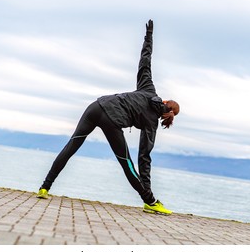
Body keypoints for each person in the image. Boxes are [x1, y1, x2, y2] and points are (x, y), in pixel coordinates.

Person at [36, 20, 180, 215]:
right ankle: (150, 201)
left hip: (96, 106)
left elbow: (145, 60)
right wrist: (147, 186)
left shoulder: (148, 88)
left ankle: (44, 188)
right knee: (127, 163)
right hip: (111, 120)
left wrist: (149, 37)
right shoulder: (152, 122)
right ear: (168, 116)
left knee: (71, 146)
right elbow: (143, 158)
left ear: (165, 100)